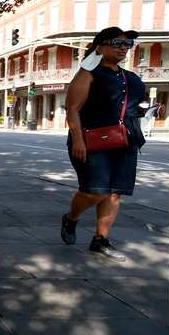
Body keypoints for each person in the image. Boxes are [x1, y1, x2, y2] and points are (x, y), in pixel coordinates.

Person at [60, 27, 147, 262]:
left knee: (114, 192)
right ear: (99, 47)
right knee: (94, 192)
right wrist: (77, 140)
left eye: (127, 44)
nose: (123, 47)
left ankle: (101, 239)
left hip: (125, 140)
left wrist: (147, 110)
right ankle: (71, 218)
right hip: (91, 139)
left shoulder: (132, 77)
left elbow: (135, 106)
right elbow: (73, 108)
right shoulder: (89, 73)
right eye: (117, 42)